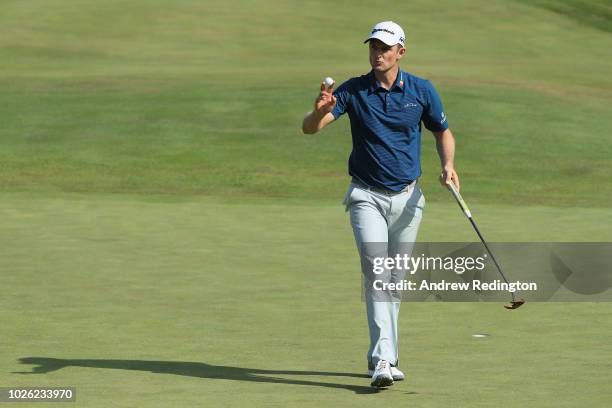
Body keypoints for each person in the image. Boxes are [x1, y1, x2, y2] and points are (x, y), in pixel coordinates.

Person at [301, 21, 459, 388]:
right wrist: (317, 110)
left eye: (385, 48)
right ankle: (383, 361)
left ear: (400, 52)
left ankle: (386, 355)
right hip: (366, 196)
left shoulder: (421, 90)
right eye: (373, 47)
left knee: (394, 280)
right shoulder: (354, 90)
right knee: (378, 274)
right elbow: (311, 128)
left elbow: (442, 131)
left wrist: (448, 165)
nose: (378, 53)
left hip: (408, 198)